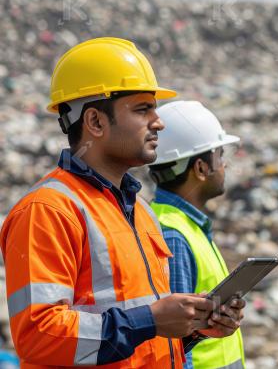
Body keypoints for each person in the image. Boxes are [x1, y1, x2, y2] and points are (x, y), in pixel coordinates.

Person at [0, 37, 243, 368]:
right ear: (96, 122)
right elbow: (38, 336)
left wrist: (196, 326)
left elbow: (140, 335)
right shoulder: (48, 211)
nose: (158, 122)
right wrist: (151, 321)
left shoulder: (139, 210)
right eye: (143, 109)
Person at [147, 100, 246, 369]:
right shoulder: (174, 236)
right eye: (219, 156)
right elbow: (175, 341)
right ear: (201, 168)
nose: (224, 165)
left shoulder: (182, 225)